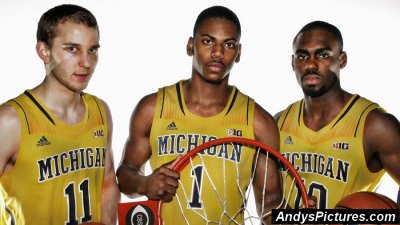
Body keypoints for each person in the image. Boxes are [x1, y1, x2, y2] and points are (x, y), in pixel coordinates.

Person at [117, 5, 282, 224]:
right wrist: (144, 184)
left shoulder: (259, 122)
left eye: (229, 44)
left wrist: (301, 219)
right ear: (190, 45)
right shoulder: (153, 108)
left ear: (239, 53)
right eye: (207, 41)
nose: (218, 53)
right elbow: (125, 173)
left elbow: (270, 201)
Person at [0, 4, 120, 224]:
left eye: (92, 50)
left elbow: (107, 182)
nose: (86, 63)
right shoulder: (11, 121)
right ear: (44, 51)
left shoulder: (100, 112)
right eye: (72, 49)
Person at [275, 20, 400, 209]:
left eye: (323, 55)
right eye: (302, 57)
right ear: (293, 63)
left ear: (341, 59)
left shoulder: (375, 125)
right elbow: (267, 201)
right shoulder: (279, 122)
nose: (310, 65)